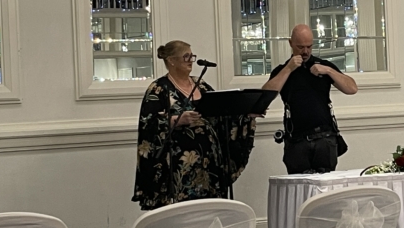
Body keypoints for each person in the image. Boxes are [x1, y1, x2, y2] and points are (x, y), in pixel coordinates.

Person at [133, 40, 257, 210]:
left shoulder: (201, 85)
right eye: (186, 57)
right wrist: (177, 120)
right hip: (177, 169)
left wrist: (246, 115)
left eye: (192, 56)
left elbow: (221, 113)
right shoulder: (158, 89)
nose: (191, 60)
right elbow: (148, 124)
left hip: (209, 165)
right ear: (172, 60)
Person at [263, 24, 358, 174]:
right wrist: (288, 69)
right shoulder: (282, 70)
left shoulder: (323, 66)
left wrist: (328, 71)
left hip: (325, 138)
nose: (305, 51)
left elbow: (352, 88)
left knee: (326, 185)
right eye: (300, 47)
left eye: (309, 46)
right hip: (296, 141)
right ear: (290, 43)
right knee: (298, 186)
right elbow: (265, 96)